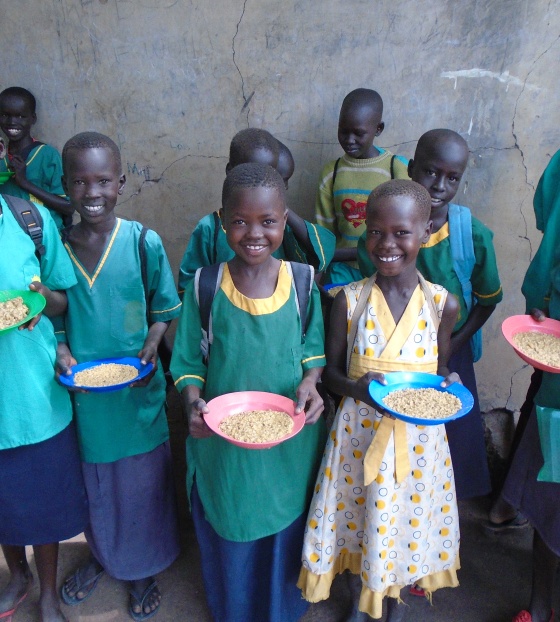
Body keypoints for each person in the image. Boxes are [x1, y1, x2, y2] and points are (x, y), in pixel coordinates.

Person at [170, 162, 327, 622]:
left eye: (268, 221)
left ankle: (278, 610)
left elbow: (311, 355)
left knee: (283, 532)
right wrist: (192, 404)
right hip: (225, 452)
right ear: (221, 221)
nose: (253, 233)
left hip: (287, 451)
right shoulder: (205, 285)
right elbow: (186, 364)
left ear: (284, 219)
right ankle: (235, 610)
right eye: (239, 221)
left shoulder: (302, 283)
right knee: (232, 528)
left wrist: (311, 386)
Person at [299, 179, 461, 621]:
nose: (385, 244)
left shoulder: (442, 305)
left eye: (401, 232)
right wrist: (359, 389)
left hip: (418, 445)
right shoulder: (348, 302)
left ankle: (394, 600)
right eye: (375, 232)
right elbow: (331, 375)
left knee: (406, 522)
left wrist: (450, 383)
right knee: (357, 520)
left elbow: (440, 369)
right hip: (358, 437)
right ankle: (359, 599)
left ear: (426, 232)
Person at [56, 132, 181, 621]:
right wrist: (63, 348)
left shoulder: (142, 242)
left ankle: (142, 567)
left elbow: (164, 307)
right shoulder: (59, 249)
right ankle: (105, 557)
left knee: (141, 484)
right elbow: (57, 316)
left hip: (136, 393)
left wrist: (153, 342)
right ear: (65, 186)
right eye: (80, 181)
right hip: (86, 399)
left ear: (121, 182)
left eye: (103, 180)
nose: (93, 192)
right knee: (98, 486)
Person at [357, 129, 503, 500]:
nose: (439, 184)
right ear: (410, 168)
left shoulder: (472, 235)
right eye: (430, 172)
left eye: (452, 177)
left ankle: (444, 506)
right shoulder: (383, 230)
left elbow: (488, 299)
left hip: (452, 347)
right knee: (390, 429)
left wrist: (454, 344)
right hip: (390, 351)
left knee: (452, 434)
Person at [0, 194, 88, 622]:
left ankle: (48, 592)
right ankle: (18, 575)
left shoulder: (29, 220)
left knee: (43, 503)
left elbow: (61, 301)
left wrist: (39, 301)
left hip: (32, 398)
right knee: (4, 503)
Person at [489, 149, 560, 530]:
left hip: (549, 297)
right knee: (545, 411)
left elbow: (543, 210)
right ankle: (514, 502)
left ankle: (508, 501)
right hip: (551, 303)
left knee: (539, 403)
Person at [177, 128, 335, 294]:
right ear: (230, 170)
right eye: (240, 222)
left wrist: (278, 207)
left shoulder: (277, 224)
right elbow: (190, 286)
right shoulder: (210, 228)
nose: (255, 233)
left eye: (270, 174)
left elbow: (323, 251)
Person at [314, 88, 409, 285]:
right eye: (343, 131)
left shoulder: (396, 169)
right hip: (343, 269)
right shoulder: (333, 173)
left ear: (378, 129)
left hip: (385, 267)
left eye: (358, 133)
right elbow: (324, 234)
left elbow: (409, 226)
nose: (349, 140)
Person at [0, 87, 73, 229]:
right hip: (7, 236)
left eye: (21, 116)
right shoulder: (2, 155)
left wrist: (25, 183)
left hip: (43, 238)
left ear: (33, 119)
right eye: (4, 115)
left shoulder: (47, 155)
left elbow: (68, 207)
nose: (12, 121)